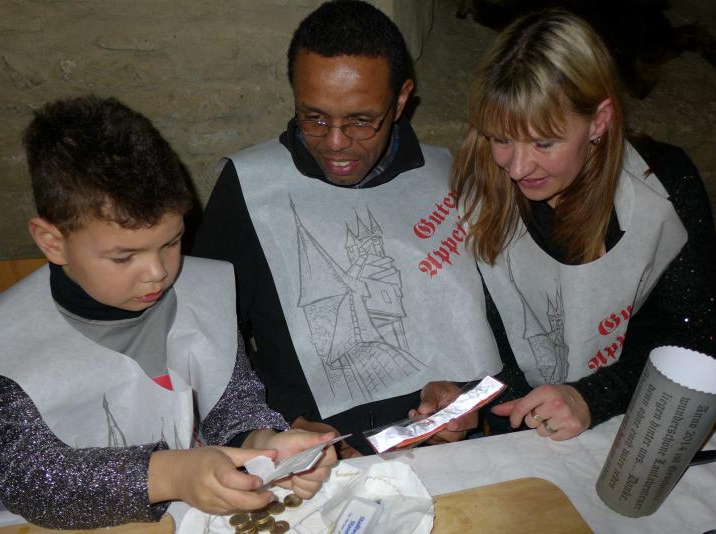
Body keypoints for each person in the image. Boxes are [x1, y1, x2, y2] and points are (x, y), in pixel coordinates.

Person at [0, 96, 336, 529]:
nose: (158, 273)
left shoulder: (204, 291)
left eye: (171, 242)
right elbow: (31, 481)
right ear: (52, 242)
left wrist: (266, 445)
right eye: (123, 257)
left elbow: (232, 406)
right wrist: (169, 474)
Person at [192, 0, 503, 456]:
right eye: (314, 117)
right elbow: (205, 336)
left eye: (361, 120)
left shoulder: (448, 177)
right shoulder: (248, 188)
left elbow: (495, 323)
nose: (335, 143)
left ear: (401, 101)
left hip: (446, 448)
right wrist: (278, 420)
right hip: (315, 456)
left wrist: (465, 401)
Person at [449, 9, 716, 440]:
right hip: (521, 430)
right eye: (501, 139)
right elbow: (482, 332)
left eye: (544, 142)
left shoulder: (663, 185)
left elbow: (694, 336)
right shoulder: (476, 187)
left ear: (599, 120)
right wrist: (516, 406)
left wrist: (591, 397)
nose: (517, 168)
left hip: (633, 415)